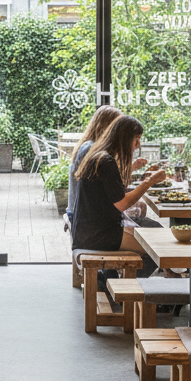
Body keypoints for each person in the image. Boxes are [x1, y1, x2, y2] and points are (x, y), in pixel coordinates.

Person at [70, 115, 167, 273]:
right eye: (136, 139)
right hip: (99, 235)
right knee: (156, 250)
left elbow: (113, 192)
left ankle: (117, 284)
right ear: (124, 138)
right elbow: (122, 203)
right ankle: (121, 289)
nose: (138, 145)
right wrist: (149, 182)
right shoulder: (106, 161)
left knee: (155, 233)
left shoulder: (98, 156)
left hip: (88, 231)